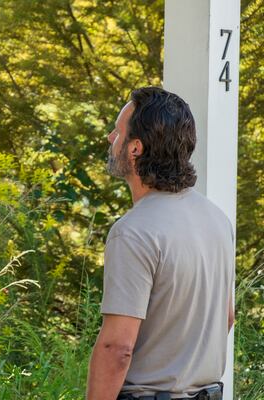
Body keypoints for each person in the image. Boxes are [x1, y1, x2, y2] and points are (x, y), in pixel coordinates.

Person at [86, 87, 234, 400]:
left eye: (118, 131)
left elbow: (118, 348)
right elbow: (227, 317)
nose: (110, 138)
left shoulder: (133, 232)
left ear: (135, 149)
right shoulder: (217, 219)